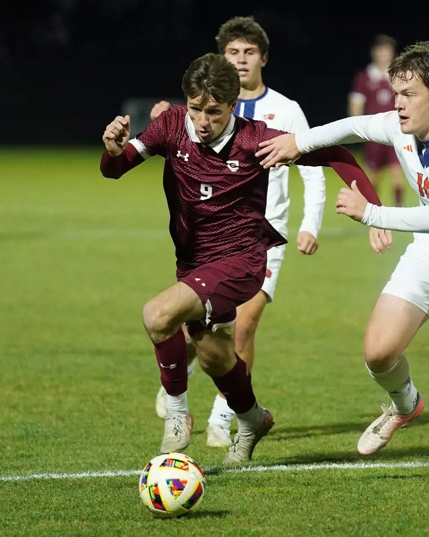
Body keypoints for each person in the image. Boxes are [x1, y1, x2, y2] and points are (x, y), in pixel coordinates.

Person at [258, 41, 429, 484]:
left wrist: (372, 214)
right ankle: (406, 405)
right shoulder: (399, 126)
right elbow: (353, 126)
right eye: (396, 92)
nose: (397, 104)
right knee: (379, 351)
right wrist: (296, 142)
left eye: (409, 94)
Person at [100, 53, 381, 463]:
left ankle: (177, 415)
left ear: (233, 106)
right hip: (193, 261)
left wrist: (374, 213)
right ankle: (252, 419)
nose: (201, 120)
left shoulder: (256, 140)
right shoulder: (172, 125)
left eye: (213, 111)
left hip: (242, 259)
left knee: (158, 316)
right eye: (195, 108)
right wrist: (112, 149)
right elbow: (114, 169)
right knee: (214, 352)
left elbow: (337, 154)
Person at [149, 16, 328, 448]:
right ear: (222, 59)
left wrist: (311, 223)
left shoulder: (284, 110)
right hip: (207, 240)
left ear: (263, 58)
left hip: (264, 238)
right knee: (205, 335)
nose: (241, 60)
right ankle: (189, 372)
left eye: (249, 52)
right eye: (233, 53)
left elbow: (315, 164)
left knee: (243, 328)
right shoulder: (204, 109)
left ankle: (220, 417)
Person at [349, 34, 407, 207]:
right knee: (372, 177)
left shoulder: (399, 76)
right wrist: (357, 128)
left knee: (398, 176)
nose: (383, 54)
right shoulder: (364, 77)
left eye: (387, 51)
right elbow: (356, 104)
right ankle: (372, 210)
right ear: (374, 52)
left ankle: (399, 211)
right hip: (374, 134)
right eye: (380, 50)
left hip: (397, 133)